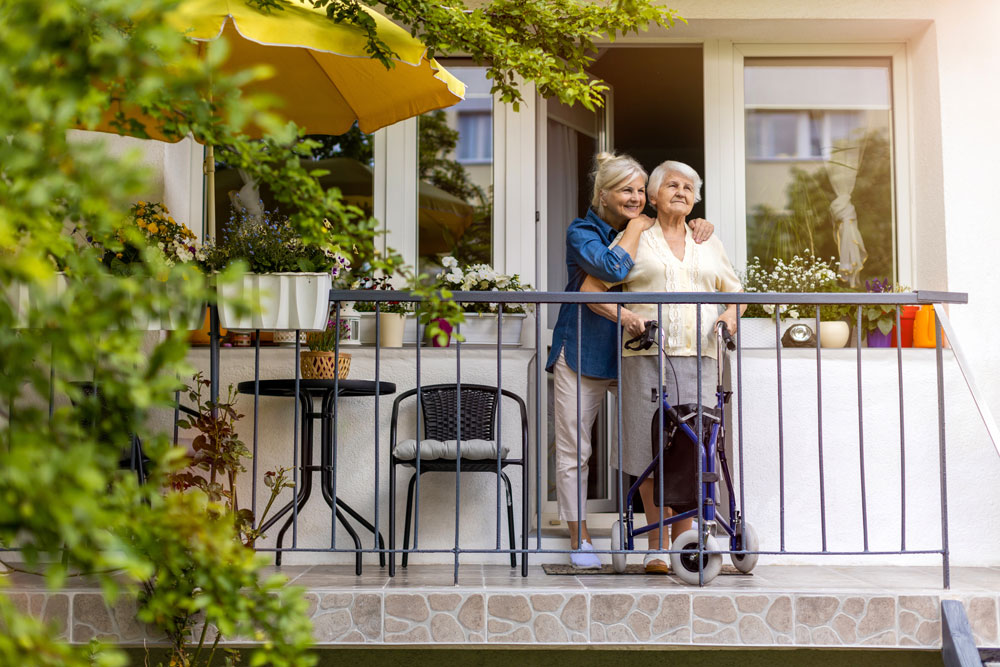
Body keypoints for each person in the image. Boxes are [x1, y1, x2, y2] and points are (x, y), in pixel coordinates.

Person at [545, 152, 713, 569]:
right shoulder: (583, 231)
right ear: (603, 194)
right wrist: (639, 227)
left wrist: (694, 227)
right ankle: (579, 537)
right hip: (583, 351)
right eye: (627, 190)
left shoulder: (648, 233)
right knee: (575, 449)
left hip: (637, 358)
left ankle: (668, 540)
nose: (636, 198)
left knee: (659, 442)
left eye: (640, 191)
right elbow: (609, 268)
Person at [580, 159, 743, 573]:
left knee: (691, 449)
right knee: (648, 449)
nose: (682, 192)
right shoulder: (634, 238)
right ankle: (655, 543)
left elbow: (736, 291)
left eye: (689, 187)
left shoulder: (707, 240)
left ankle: (684, 542)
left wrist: (729, 316)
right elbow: (591, 290)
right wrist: (629, 319)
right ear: (652, 196)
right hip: (647, 356)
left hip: (703, 357)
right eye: (672, 184)